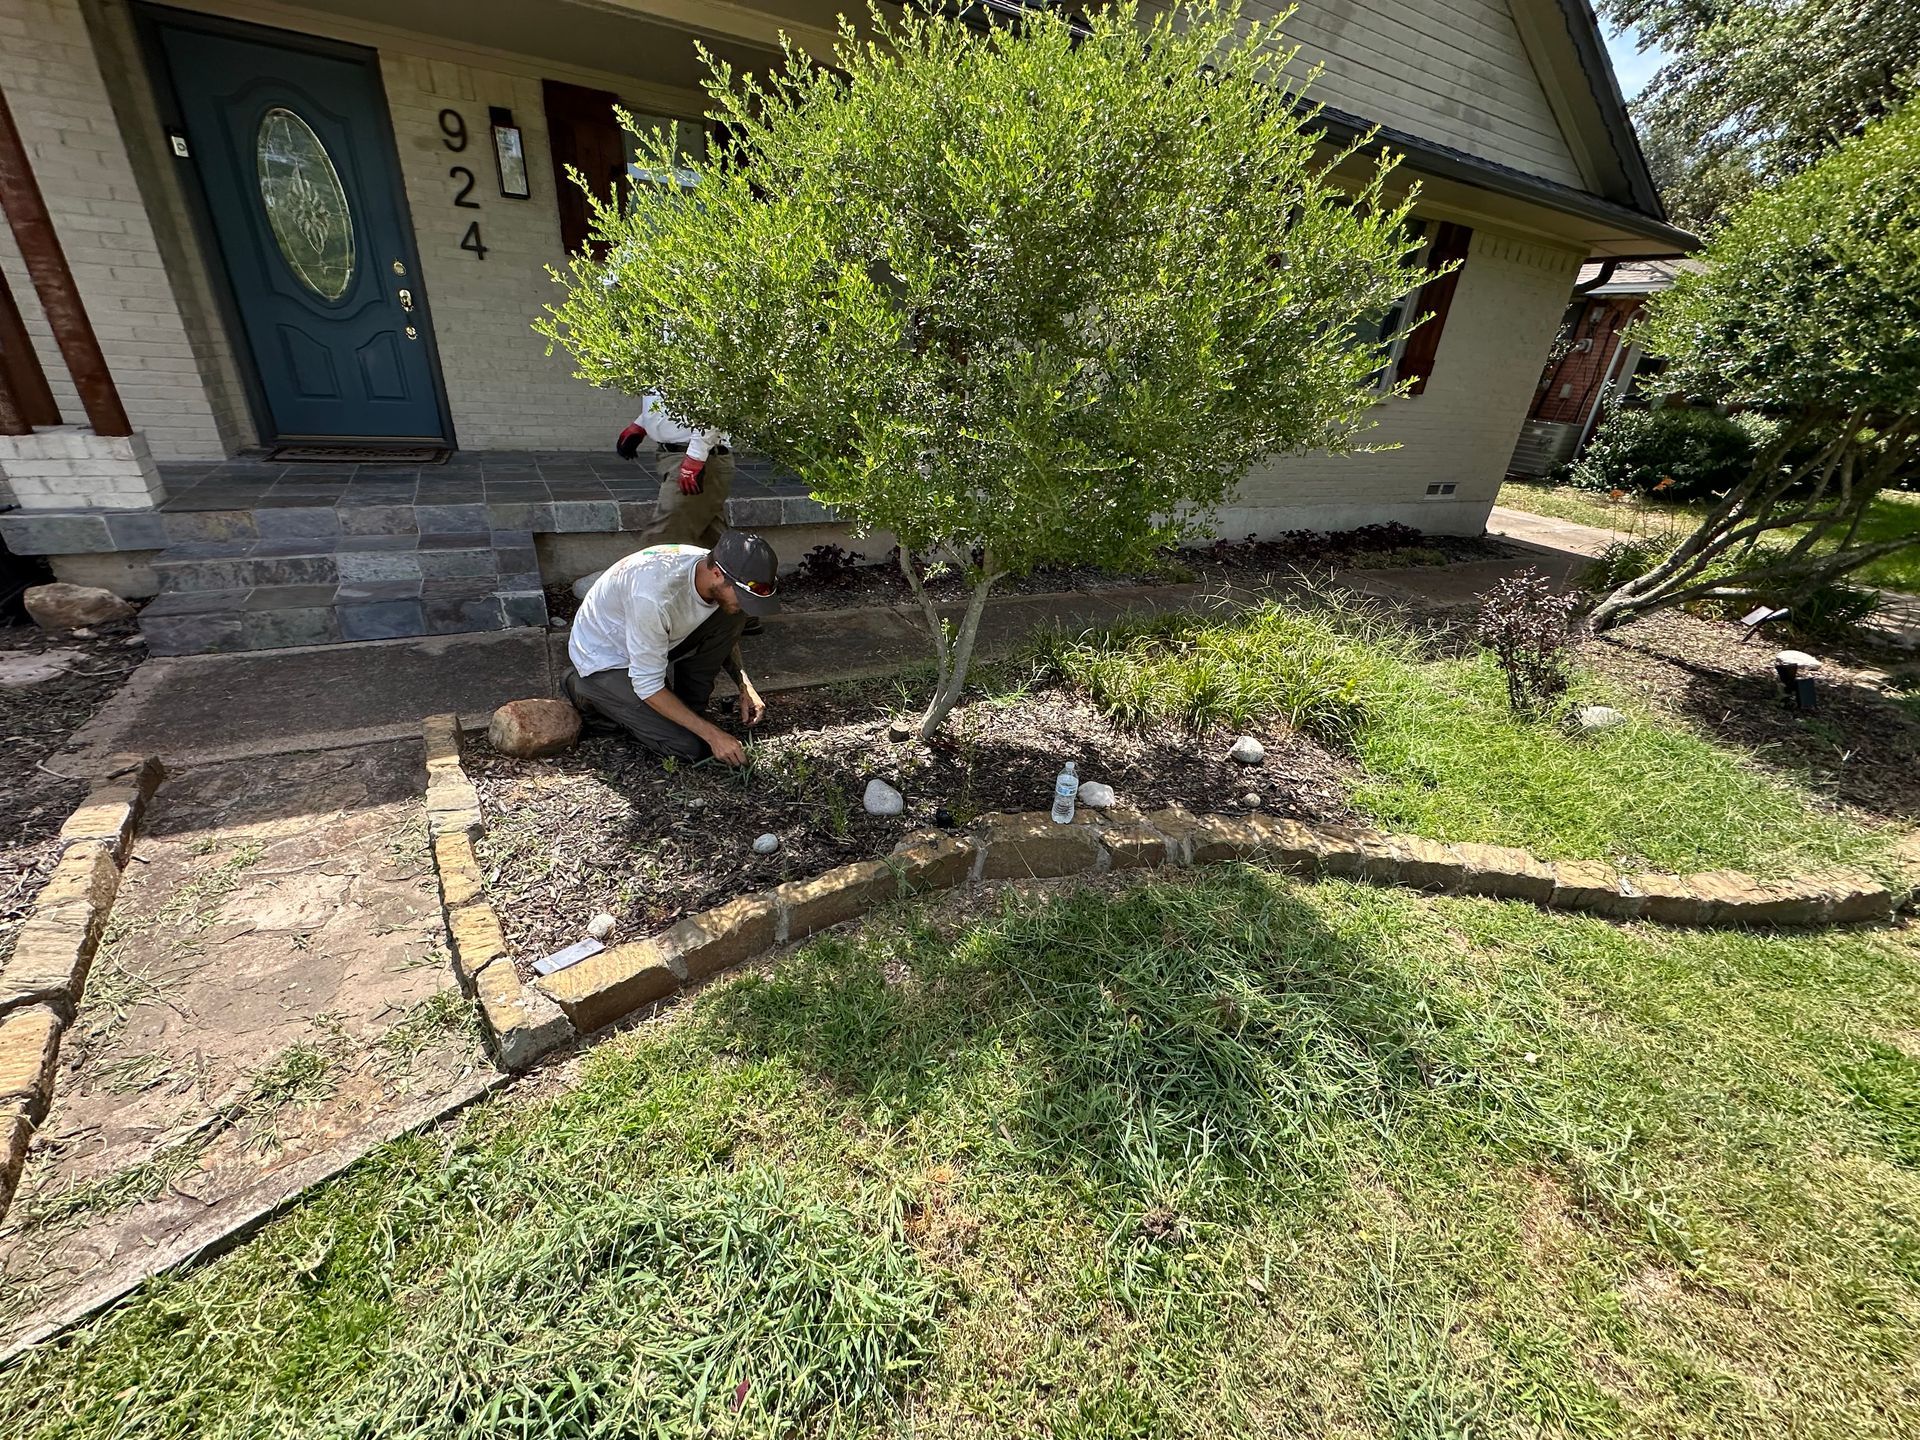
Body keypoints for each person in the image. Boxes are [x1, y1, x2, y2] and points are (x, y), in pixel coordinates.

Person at [563, 532, 778, 765]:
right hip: (606, 658)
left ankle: (690, 708)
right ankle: (582, 687)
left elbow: (726, 636)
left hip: (651, 640)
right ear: (717, 573)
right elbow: (647, 685)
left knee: (733, 615)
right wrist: (713, 735)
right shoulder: (653, 598)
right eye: (743, 597)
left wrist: (744, 685)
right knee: (690, 747)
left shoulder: (708, 573)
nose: (746, 604)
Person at [615, 391, 733, 550]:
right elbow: (666, 402)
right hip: (678, 456)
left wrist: (695, 459)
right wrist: (641, 425)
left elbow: (712, 408)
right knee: (710, 541)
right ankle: (737, 573)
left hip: (697, 457)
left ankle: (647, 574)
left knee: (662, 542)